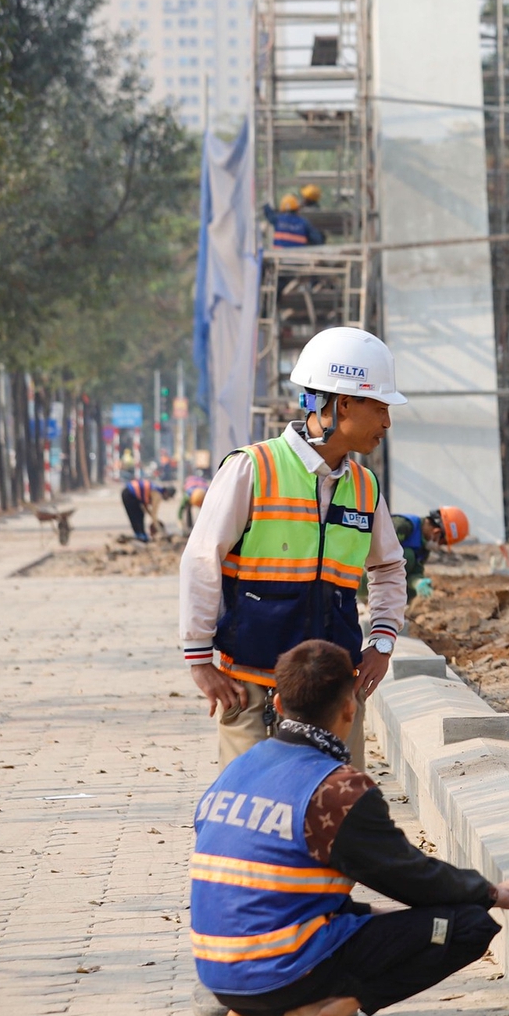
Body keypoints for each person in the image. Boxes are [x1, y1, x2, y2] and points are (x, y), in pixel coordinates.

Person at [192, 639, 509, 1016]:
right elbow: (409, 876)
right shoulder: (335, 790)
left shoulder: (239, 767)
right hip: (283, 968)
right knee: (468, 924)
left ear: (276, 702)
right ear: (350, 708)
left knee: (340, 913)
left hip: (219, 972)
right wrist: (491, 892)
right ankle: (323, 1013)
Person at [179, 326, 408, 768]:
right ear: (342, 404)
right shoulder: (252, 468)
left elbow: (390, 567)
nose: (386, 422)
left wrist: (382, 641)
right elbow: (201, 559)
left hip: (332, 693)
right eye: (379, 407)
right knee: (250, 820)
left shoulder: (365, 487)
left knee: (334, 820)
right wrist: (198, 659)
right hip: (249, 686)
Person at [394, 506, 469, 596]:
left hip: (384, 578)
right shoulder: (403, 526)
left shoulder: (423, 548)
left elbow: (413, 572)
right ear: (436, 532)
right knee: (407, 555)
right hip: (374, 573)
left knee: (412, 593)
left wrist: (417, 582)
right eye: (442, 543)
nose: (439, 546)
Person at [122, 475, 172, 542]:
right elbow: (154, 512)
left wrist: (153, 518)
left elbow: (145, 507)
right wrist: (159, 528)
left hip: (129, 493)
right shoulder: (158, 495)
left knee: (138, 514)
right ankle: (140, 535)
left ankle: (141, 534)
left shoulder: (155, 489)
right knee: (136, 515)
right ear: (166, 493)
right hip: (129, 493)